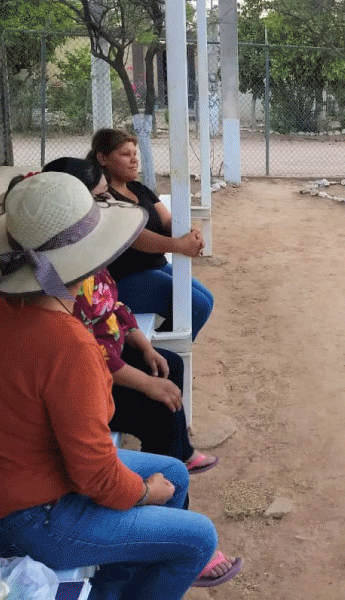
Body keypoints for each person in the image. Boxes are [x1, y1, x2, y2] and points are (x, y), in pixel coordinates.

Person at [0, 172, 242, 600]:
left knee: (172, 472)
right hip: (29, 517)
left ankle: (112, 588)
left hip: (7, 491)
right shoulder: (68, 342)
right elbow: (95, 472)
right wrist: (143, 494)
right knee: (199, 537)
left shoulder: (4, 304)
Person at [42, 157, 218, 474]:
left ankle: (170, 458)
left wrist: (144, 345)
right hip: (82, 385)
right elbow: (87, 353)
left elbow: (113, 307)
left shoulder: (87, 258)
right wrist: (145, 384)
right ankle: (165, 468)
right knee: (157, 400)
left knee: (169, 364)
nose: (109, 201)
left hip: (102, 358)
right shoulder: (58, 279)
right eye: (100, 197)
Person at [87, 128, 214, 340]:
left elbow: (166, 221)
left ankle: (161, 354)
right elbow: (134, 236)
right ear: (102, 158)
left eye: (134, 153)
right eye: (125, 154)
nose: (134, 160)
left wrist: (189, 234)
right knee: (197, 305)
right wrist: (179, 245)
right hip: (126, 277)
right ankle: (157, 360)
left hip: (155, 265)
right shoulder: (103, 196)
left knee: (206, 300)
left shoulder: (139, 188)